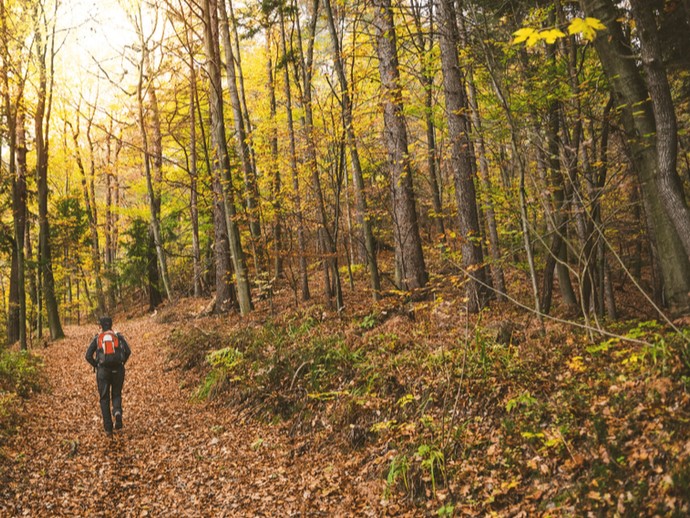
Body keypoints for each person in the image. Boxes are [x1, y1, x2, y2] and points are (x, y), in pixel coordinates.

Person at [85, 316, 131, 436]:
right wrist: (122, 363)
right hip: (118, 369)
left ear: (100, 326)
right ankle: (117, 412)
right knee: (116, 393)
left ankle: (108, 428)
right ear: (111, 325)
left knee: (104, 398)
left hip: (103, 371)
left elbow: (88, 355)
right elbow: (128, 351)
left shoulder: (97, 338)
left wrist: (96, 365)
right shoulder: (118, 336)